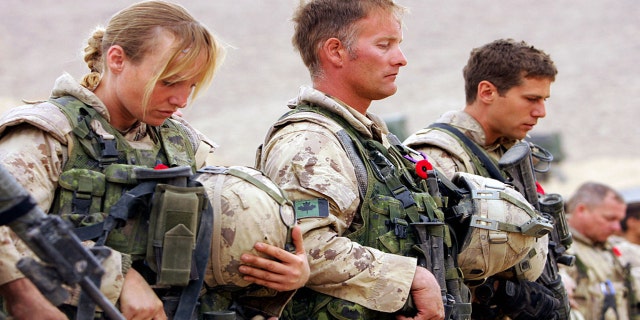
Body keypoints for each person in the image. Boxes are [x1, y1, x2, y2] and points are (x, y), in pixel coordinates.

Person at [0, 1, 308, 319]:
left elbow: (207, 250)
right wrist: (118, 279)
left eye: (191, 85)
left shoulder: (180, 143)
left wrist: (281, 273)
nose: (181, 99)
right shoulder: (49, 134)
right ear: (116, 59)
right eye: (168, 81)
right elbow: (11, 238)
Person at [257, 1, 455, 319]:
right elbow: (305, 245)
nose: (401, 59)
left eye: (398, 45)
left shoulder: (369, 140)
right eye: (384, 45)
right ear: (335, 51)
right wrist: (408, 278)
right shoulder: (312, 142)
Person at [403, 38, 566, 319]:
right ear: (487, 92)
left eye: (544, 100)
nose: (541, 112)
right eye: (531, 99)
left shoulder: (510, 154)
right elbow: (424, 258)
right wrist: (505, 293)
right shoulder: (438, 155)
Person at [560, 182, 630, 320]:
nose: (616, 227)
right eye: (610, 219)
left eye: (619, 220)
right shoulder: (556, 248)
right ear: (581, 210)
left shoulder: (614, 248)